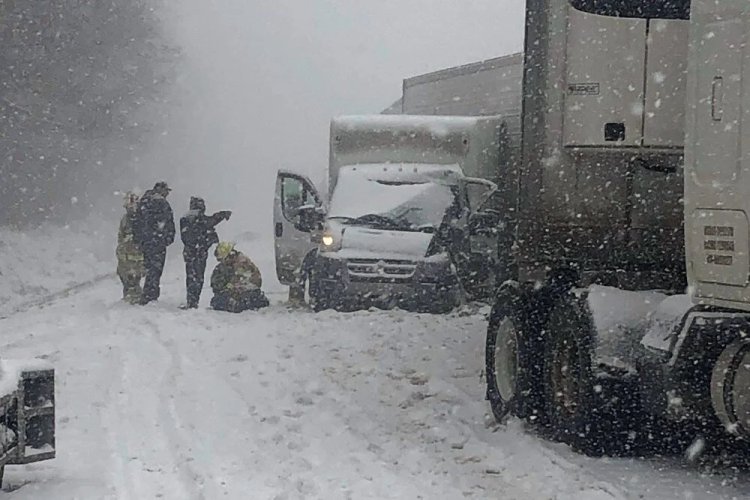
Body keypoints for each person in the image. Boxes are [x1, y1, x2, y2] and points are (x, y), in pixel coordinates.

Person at [180, 196, 232, 308]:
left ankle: (191, 300)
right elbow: (210, 221)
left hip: (189, 252)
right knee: (198, 277)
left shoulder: (184, 218)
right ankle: (193, 301)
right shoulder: (199, 218)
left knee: (190, 276)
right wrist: (222, 215)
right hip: (199, 252)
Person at [134, 181, 176, 304]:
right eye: (166, 191)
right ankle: (150, 295)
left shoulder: (144, 201)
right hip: (157, 242)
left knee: (148, 267)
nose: (167, 193)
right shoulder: (162, 203)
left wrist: (139, 239)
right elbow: (168, 222)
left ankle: (146, 293)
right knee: (155, 269)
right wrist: (167, 238)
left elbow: (137, 221)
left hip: (146, 242)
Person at [210, 242, 269, 313]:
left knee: (218, 301)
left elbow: (241, 284)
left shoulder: (241, 264)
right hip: (245, 292)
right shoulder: (232, 263)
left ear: (229, 256)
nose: (222, 262)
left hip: (248, 293)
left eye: (222, 259)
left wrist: (228, 290)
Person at [116, 192, 144, 304]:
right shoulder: (125, 219)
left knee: (134, 275)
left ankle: (135, 295)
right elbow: (120, 235)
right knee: (124, 274)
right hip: (126, 254)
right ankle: (130, 294)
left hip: (136, 253)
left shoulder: (140, 218)